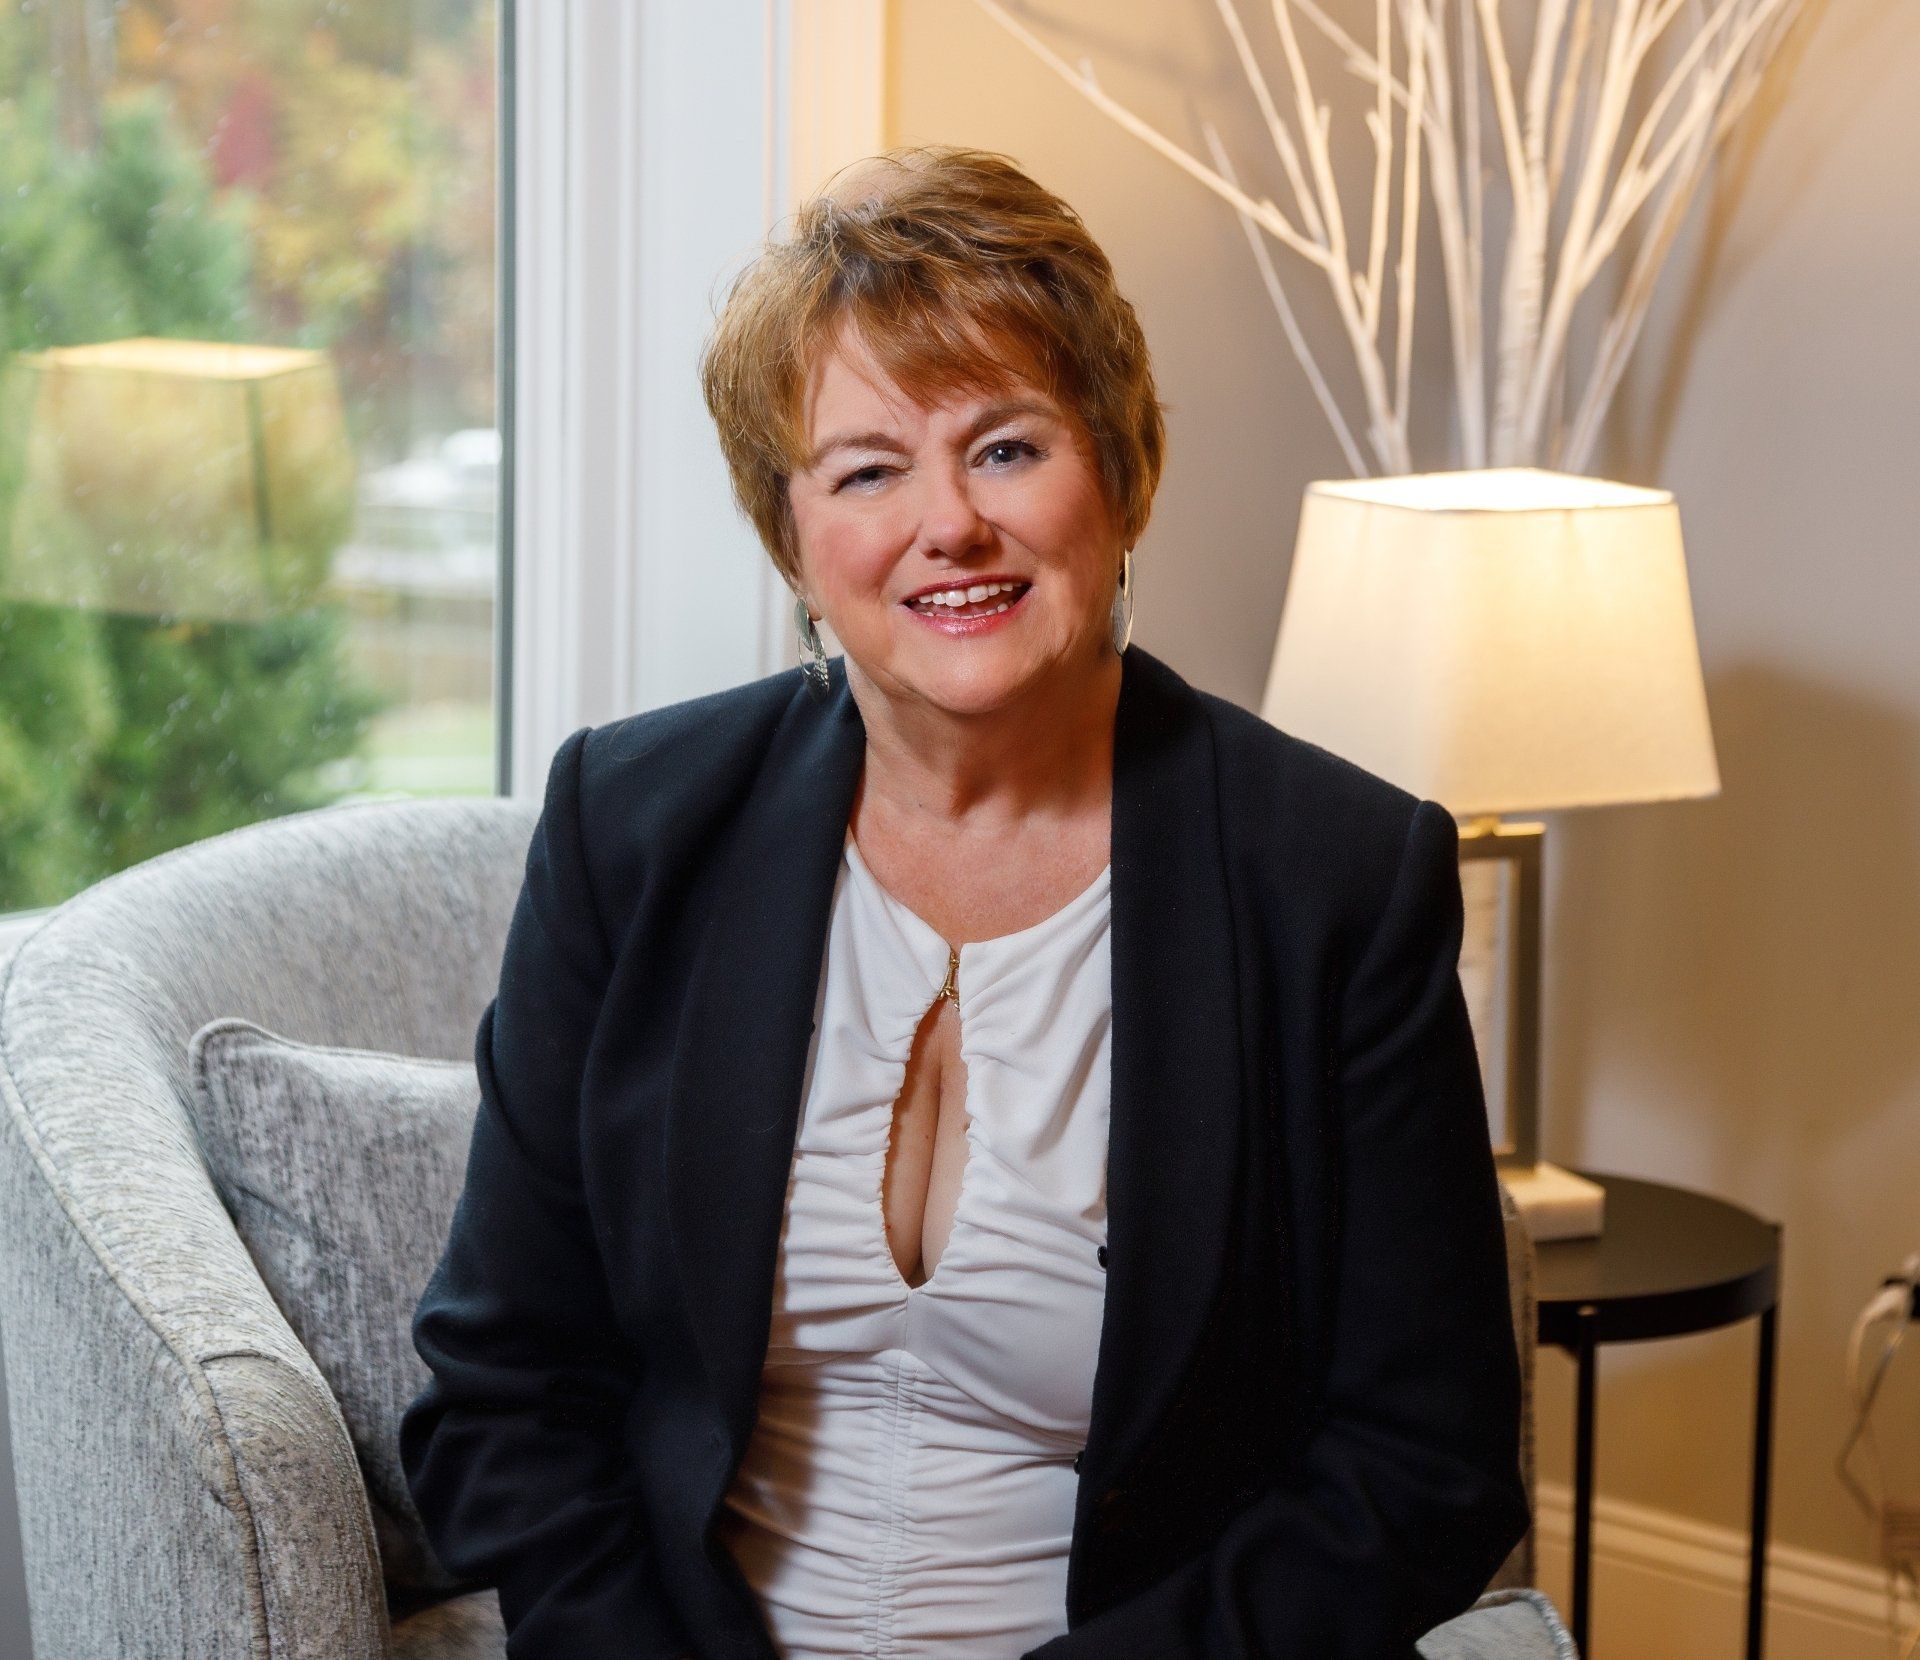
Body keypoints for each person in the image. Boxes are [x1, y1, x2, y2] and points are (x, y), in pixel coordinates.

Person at [399, 143, 1530, 1659]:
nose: (950, 525)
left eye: (1006, 447)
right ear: (796, 539)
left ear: (1119, 476)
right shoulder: (635, 825)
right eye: (868, 470)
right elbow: (502, 1390)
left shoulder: (1333, 876)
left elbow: (1425, 1467)